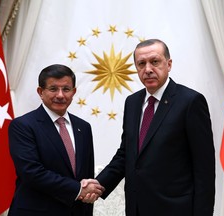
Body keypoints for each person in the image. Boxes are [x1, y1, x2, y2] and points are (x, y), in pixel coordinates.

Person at [84, 39, 215, 216]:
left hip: (176, 210)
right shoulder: (132, 102)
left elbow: (204, 169)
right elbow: (126, 154)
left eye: (154, 62)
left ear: (168, 64)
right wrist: (97, 185)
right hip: (137, 208)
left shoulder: (191, 102)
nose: (148, 69)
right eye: (141, 64)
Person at [8, 64, 104, 216]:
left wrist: (89, 192)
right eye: (53, 89)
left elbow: (86, 174)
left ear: (73, 92)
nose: (60, 95)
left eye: (66, 89)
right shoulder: (23, 126)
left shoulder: (83, 127)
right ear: (40, 92)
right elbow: (32, 172)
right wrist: (79, 190)